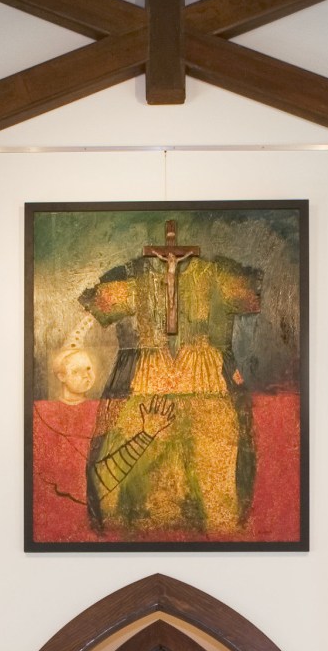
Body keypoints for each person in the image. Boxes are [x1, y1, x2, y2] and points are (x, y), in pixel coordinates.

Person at [76, 220, 267, 539]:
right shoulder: (131, 278)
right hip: (145, 381)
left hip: (208, 383)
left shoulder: (219, 276)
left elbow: (249, 297)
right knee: (135, 473)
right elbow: (94, 310)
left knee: (213, 466)